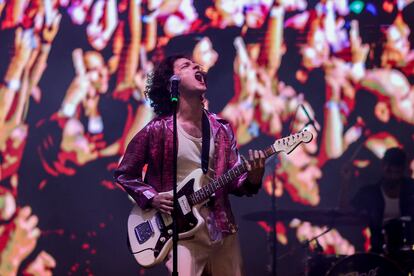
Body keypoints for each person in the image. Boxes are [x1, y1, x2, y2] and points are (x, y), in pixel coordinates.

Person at [114, 55, 266, 276]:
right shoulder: (157, 130)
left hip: (221, 231)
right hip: (180, 233)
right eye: (186, 66)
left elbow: (236, 183)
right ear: (171, 83)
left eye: (196, 65)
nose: (196, 66)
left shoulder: (221, 129)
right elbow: (125, 173)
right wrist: (152, 197)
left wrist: (254, 177)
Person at [340, 147, 414, 254]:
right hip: (379, 253)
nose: (392, 176)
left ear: (402, 170)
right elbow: (345, 212)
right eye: (389, 171)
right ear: (383, 167)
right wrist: (345, 182)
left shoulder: (411, 188)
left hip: (409, 253)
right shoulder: (371, 193)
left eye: (396, 172)